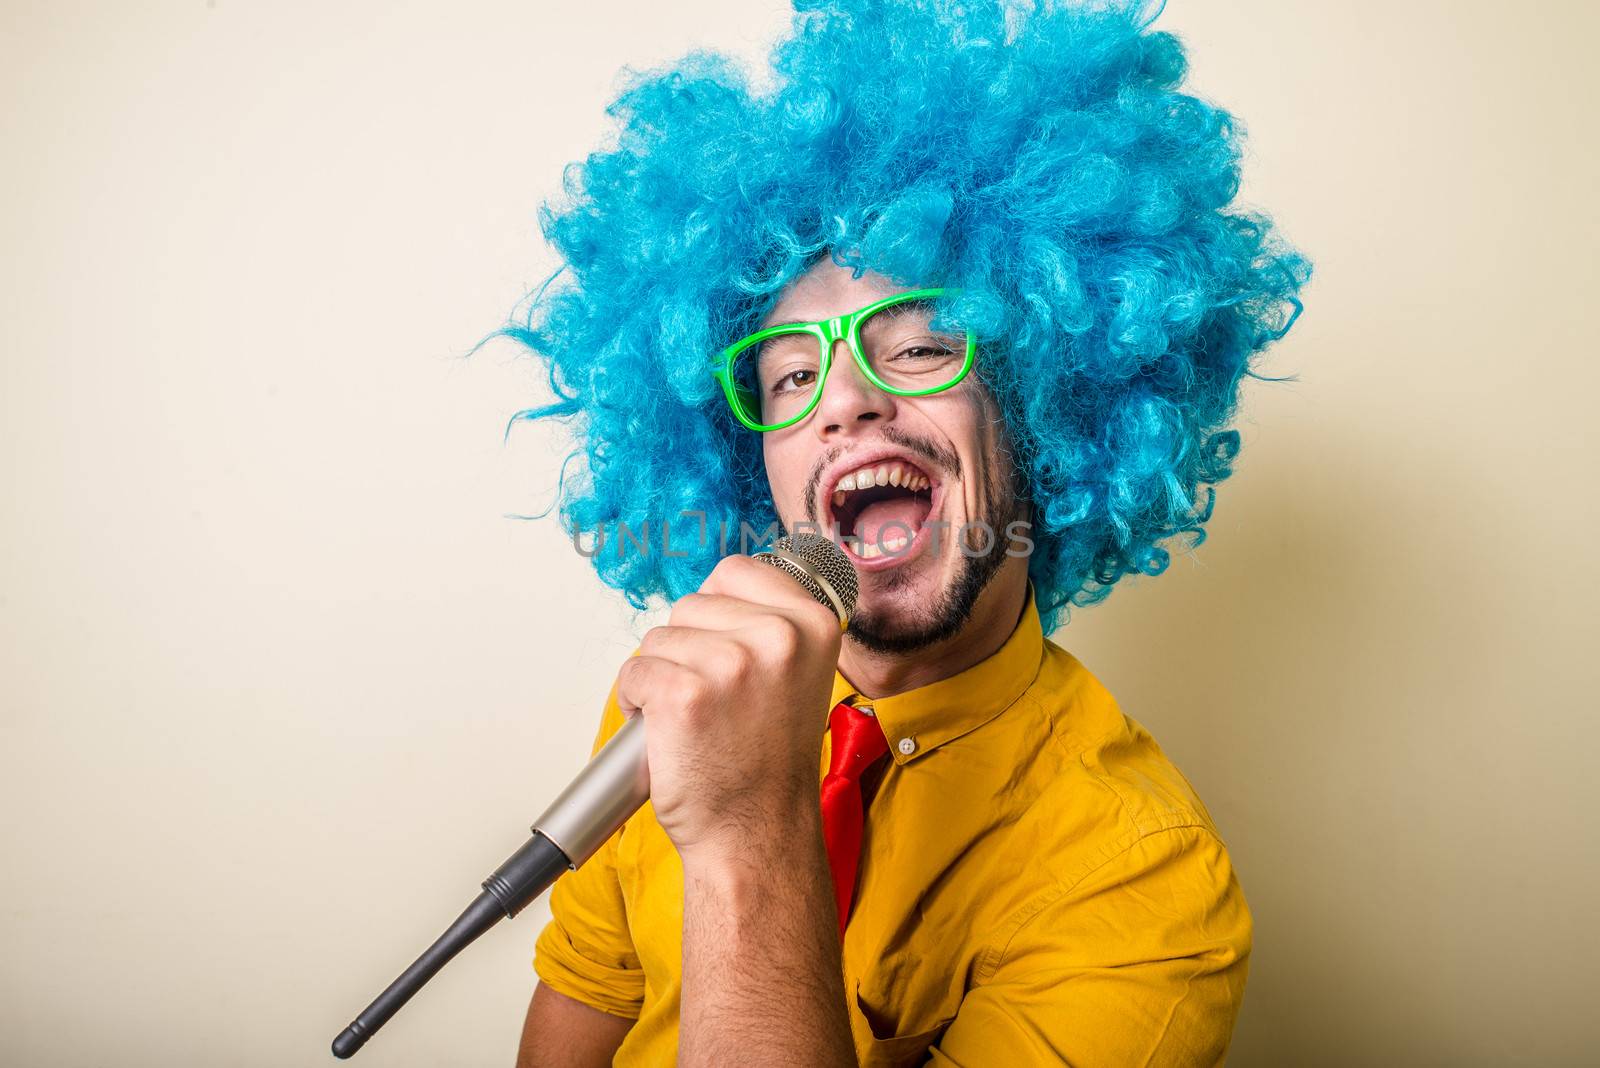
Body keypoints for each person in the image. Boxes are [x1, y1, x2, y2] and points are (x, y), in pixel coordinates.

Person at [500, 2, 1310, 1065]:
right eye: (791, 375)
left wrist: (751, 831)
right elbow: (582, 998)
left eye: (922, 349)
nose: (843, 405)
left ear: (1044, 414)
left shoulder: (1141, 880)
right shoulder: (689, 688)